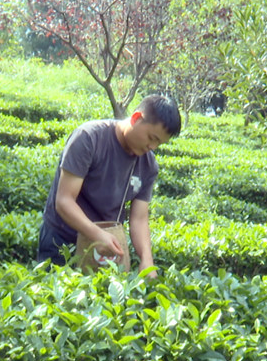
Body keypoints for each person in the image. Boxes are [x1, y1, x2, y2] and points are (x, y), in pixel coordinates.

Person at [37, 94, 181, 278]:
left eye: (159, 143)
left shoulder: (148, 165)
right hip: (62, 240)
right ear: (136, 118)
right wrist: (97, 234)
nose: (152, 146)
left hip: (105, 248)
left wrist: (146, 260)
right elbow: (64, 201)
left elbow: (139, 218)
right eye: (151, 137)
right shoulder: (89, 138)